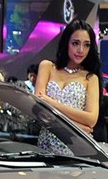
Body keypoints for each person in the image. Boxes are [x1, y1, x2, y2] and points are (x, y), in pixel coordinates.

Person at [35, 19, 101, 154]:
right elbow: (40, 111)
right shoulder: (47, 67)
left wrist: (52, 103)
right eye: (75, 43)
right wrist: (77, 126)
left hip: (77, 148)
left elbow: (91, 119)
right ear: (66, 43)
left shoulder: (90, 78)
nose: (81, 50)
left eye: (86, 45)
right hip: (46, 146)